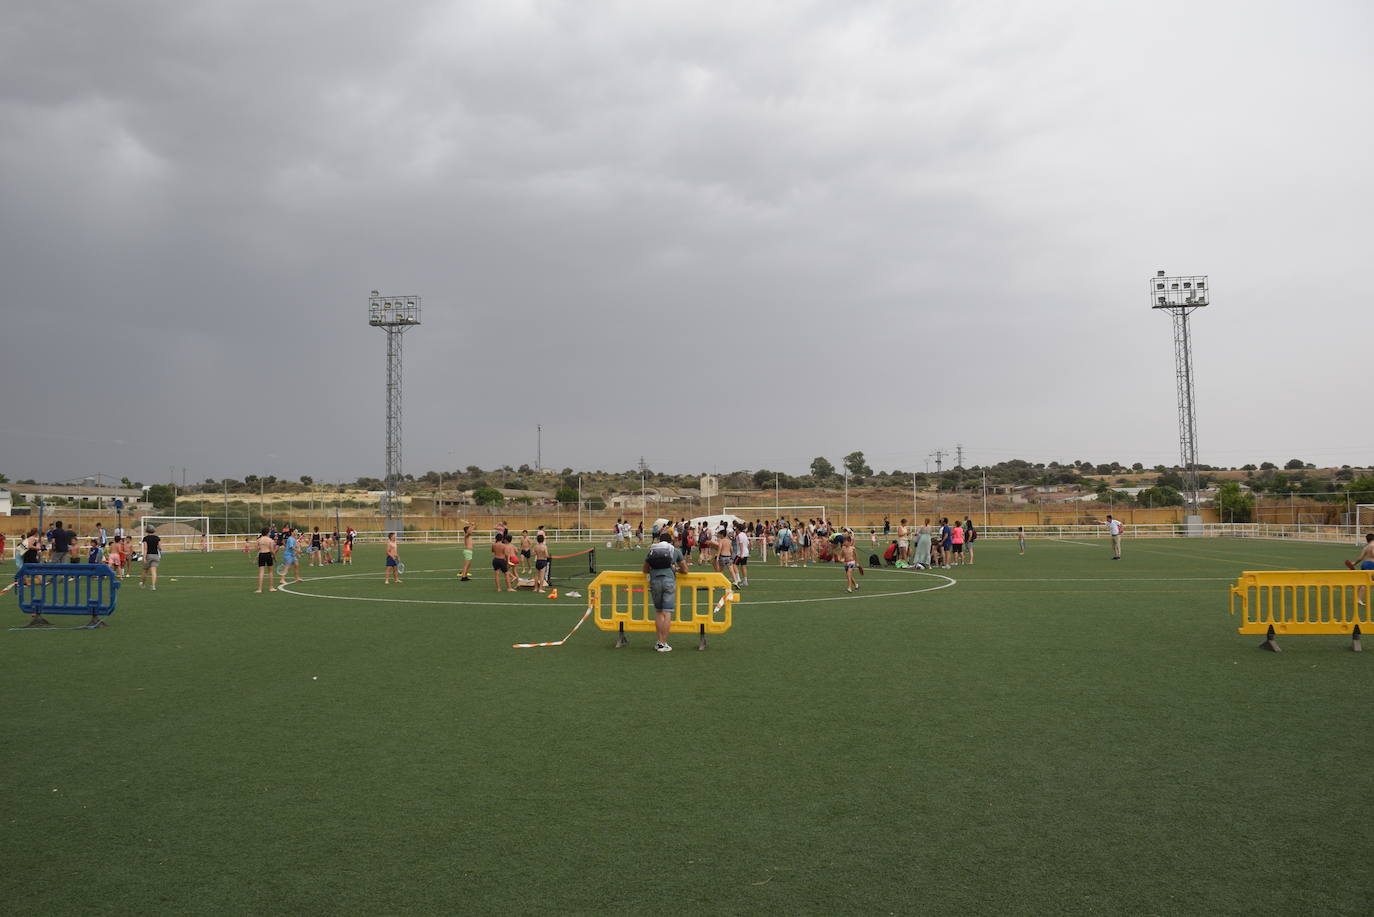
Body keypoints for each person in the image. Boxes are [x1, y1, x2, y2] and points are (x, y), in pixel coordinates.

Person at [643, 531, 688, 653]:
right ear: (671, 541)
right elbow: (685, 570)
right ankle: (664, 642)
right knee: (667, 612)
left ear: (659, 540)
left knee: (658, 612)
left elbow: (645, 569)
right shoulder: (675, 551)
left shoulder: (653, 550)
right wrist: (675, 569)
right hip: (668, 581)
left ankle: (659, 642)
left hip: (655, 581)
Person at [1349, 533, 1374, 606]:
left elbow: (1361, 558)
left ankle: (1358, 599)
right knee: (1366, 583)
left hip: (1365, 564)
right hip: (1371, 565)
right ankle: (1358, 599)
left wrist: (1354, 563)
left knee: (1364, 582)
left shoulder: (1366, 547)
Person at [255, 527, 277, 593]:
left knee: (261, 572)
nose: (270, 533)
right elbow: (272, 550)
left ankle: (259, 589)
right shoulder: (270, 540)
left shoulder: (258, 540)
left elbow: (256, 549)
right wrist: (274, 557)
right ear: (267, 533)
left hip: (261, 555)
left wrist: (261, 547)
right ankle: (271, 588)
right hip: (268, 555)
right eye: (269, 532)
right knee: (270, 572)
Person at [140, 525, 162, 590]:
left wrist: (144, 557)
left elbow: (145, 549)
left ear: (147, 530)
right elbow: (160, 548)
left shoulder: (145, 538)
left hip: (148, 555)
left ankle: (143, 584)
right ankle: (153, 586)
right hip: (155, 555)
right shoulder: (157, 538)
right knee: (154, 572)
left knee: (145, 571)